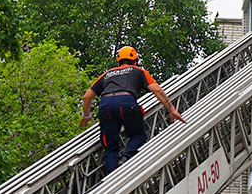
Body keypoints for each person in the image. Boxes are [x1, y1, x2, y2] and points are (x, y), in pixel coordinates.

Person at [79, 47, 185, 179]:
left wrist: (86, 115)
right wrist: (172, 110)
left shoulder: (107, 74)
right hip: (126, 102)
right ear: (135, 61)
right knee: (138, 135)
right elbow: (156, 89)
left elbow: (87, 97)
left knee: (110, 145)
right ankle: (125, 158)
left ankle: (110, 178)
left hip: (105, 105)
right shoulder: (138, 71)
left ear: (118, 62)